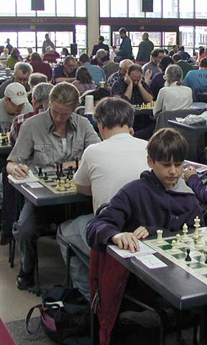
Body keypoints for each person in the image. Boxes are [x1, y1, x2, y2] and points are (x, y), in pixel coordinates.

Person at [7, 82, 100, 290]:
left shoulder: (83, 124)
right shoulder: (32, 125)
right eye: (55, 111)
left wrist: (70, 165)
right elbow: (12, 162)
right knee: (25, 229)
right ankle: (26, 270)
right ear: (49, 103)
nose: (59, 118)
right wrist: (14, 168)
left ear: (75, 108)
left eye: (65, 114)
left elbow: (97, 156)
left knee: (100, 224)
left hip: (78, 196)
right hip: (43, 199)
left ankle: (89, 277)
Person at [57, 97, 150, 300]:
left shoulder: (93, 151)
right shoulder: (149, 146)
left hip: (112, 233)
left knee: (64, 231)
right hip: (147, 229)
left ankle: (91, 297)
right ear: (130, 123)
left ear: (100, 125)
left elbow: (81, 188)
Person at [86, 128, 203, 252]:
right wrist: (116, 235)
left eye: (178, 164)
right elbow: (96, 226)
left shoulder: (189, 198)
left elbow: (197, 236)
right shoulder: (133, 192)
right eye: (166, 165)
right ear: (150, 162)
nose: (173, 171)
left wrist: (157, 232)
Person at [0, 83, 33, 233]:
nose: (20, 107)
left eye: (22, 104)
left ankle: (20, 210)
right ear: (6, 100)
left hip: (20, 152)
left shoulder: (28, 108)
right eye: (16, 104)